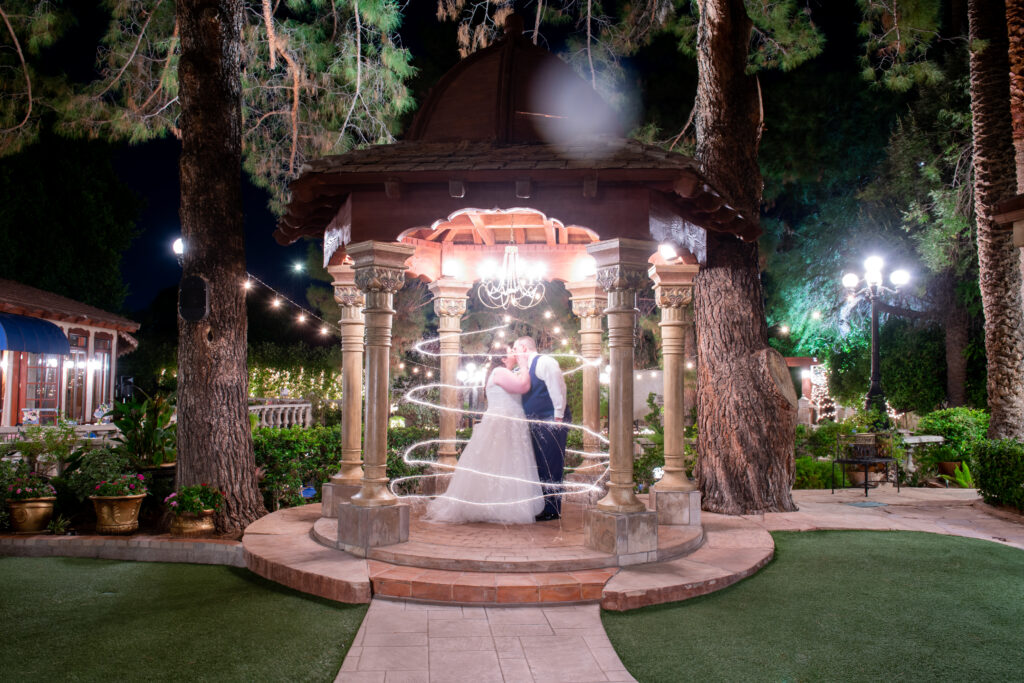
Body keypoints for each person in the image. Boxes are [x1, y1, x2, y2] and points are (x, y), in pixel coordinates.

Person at [424, 349, 544, 524]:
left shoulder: (504, 372)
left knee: (505, 464)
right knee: (501, 462)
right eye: (511, 351)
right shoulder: (499, 371)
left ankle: (499, 503)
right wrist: (525, 366)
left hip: (509, 422)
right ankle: (495, 506)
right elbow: (523, 387)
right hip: (503, 423)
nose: (515, 353)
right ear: (503, 359)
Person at [513, 336, 571, 521]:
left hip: (550, 421)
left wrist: (558, 416)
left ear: (523, 347)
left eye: (515, 348)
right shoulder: (523, 368)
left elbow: (558, 388)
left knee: (551, 463)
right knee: (539, 463)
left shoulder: (545, 362)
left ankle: (553, 508)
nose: (513, 353)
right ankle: (542, 505)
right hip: (535, 423)